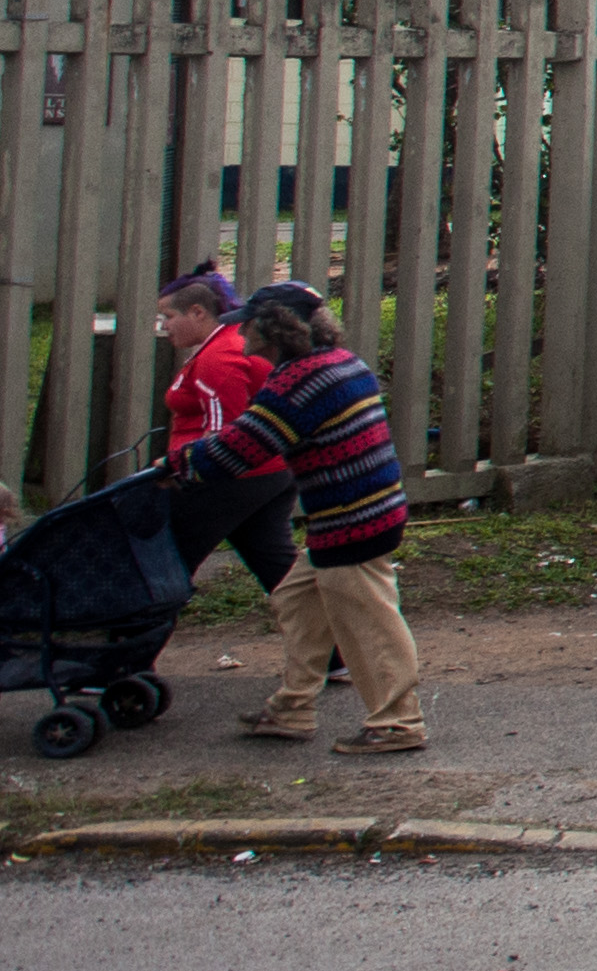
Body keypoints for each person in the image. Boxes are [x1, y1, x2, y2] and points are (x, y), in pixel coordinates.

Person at [172, 281, 424, 754]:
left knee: (368, 621)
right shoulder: (340, 363)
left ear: (275, 329)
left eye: (249, 324)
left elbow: (244, 447)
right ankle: (292, 708)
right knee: (296, 598)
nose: (241, 331)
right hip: (364, 510)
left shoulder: (297, 381)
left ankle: (397, 723)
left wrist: (179, 464)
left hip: (352, 520)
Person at [151, 263, 304, 650]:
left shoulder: (217, 359)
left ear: (198, 313)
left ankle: (127, 659)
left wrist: (183, 470)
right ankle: (335, 654)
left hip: (231, 481)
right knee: (277, 566)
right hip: (271, 475)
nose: (163, 326)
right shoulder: (225, 346)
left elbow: (227, 435)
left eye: (168, 317)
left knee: (167, 562)